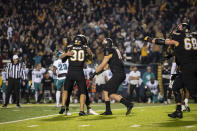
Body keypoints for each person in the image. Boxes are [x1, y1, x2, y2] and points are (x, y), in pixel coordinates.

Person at [144, 23, 197, 118]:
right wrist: (170, 55)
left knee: (193, 92)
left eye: (180, 28)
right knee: (176, 87)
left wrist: (150, 40)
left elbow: (164, 42)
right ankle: (178, 111)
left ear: (184, 29)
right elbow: (183, 49)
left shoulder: (180, 37)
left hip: (187, 68)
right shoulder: (194, 37)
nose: (178, 29)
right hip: (191, 67)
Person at [91, 38, 133, 116]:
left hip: (118, 74)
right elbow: (106, 67)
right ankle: (128, 104)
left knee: (105, 89)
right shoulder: (114, 50)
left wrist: (94, 73)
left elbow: (103, 64)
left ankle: (109, 110)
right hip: (120, 74)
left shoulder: (109, 50)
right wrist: (98, 72)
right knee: (110, 93)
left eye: (104, 45)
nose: (104, 47)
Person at [59, 35, 93, 116]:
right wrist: (90, 53)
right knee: (83, 92)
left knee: (66, 89)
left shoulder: (70, 47)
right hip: (79, 72)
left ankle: (63, 105)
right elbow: (89, 62)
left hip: (70, 71)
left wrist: (67, 54)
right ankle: (81, 110)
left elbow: (61, 57)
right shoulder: (85, 48)